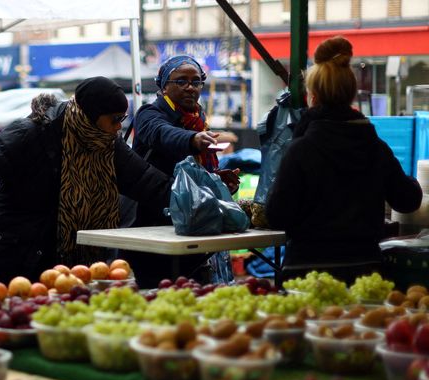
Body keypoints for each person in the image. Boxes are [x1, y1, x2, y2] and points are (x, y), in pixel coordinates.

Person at [0, 76, 173, 282]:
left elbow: (146, 181)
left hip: (70, 264)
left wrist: (193, 203)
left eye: (122, 119)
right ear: (92, 114)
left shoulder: (106, 143)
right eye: (115, 119)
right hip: (16, 256)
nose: (119, 127)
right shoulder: (30, 133)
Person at [265, 36, 422, 284]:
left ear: (313, 97)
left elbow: (277, 216)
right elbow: (408, 200)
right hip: (365, 274)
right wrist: (413, 180)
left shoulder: (300, 150)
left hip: (307, 277)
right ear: (350, 96)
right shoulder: (376, 148)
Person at [123, 55, 242, 288]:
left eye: (196, 81)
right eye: (181, 81)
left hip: (192, 226)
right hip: (152, 225)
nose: (190, 87)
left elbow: (194, 172)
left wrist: (216, 179)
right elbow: (163, 134)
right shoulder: (148, 114)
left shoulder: (198, 118)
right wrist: (193, 139)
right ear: (164, 85)